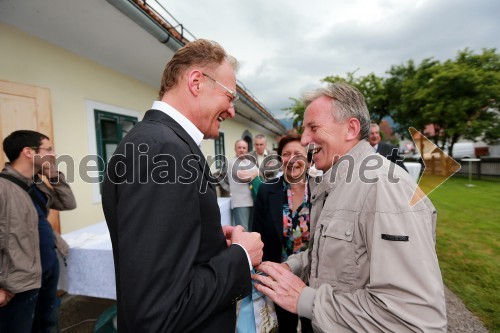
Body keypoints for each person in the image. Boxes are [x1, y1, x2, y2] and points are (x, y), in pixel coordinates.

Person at [253, 83, 447, 332]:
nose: (304, 140)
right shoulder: (336, 183)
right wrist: (291, 268)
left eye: (313, 128)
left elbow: (411, 318)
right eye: (304, 130)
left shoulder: (385, 189)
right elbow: (336, 255)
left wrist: (304, 299)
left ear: (351, 128)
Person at [101, 39, 263, 333]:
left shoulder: (162, 142)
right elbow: (156, 312)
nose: (232, 111)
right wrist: (240, 257)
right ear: (196, 82)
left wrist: (208, 238)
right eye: (230, 97)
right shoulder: (163, 149)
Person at [0, 130, 76, 333]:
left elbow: (68, 203)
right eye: (48, 149)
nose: (54, 154)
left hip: (48, 268)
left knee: (48, 325)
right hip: (19, 281)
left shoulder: (36, 183)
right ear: (28, 152)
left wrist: (53, 175)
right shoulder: (3, 187)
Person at [253, 134, 313, 333]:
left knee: (312, 325)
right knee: (284, 325)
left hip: (314, 278)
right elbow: (256, 234)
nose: (292, 158)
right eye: (286, 154)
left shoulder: (321, 189)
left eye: (298, 153)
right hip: (280, 276)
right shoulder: (266, 190)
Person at [227, 139, 258, 231]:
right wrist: (256, 172)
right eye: (239, 147)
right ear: (235, 149)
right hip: (241, 203)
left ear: (247, 150)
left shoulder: (249, 162)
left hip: (252, 200)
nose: (242, 150)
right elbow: (245, 177)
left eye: (244, 148)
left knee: (251, 231)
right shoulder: (232, 163)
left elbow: (261, 173)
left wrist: (254, 173)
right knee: (243, 232)